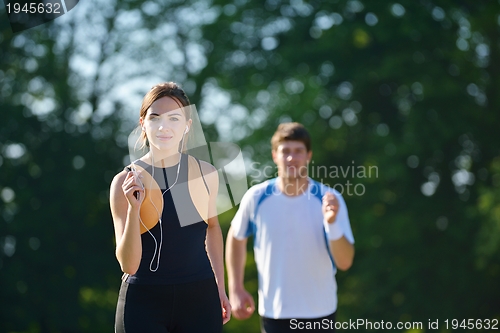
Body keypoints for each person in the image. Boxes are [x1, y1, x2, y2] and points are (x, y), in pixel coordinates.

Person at [109, 82, 231, 333]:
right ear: (143, 123)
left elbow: (213, 229)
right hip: (143, 301)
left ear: (187, 126)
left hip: (200, 298)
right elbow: (128, 265)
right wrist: (134, 208)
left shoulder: (204, 174)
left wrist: (220, 288)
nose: (164, 126)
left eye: (174, 118)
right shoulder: (125, 181)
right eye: (155, 117)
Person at [226, 122, 355, 332]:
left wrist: (331, 224)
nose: (291, 158)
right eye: (285, 151)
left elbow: (345, 261)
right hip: (274, 313)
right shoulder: (257, 197)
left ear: (308, 156)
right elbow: (236, 237)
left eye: (298, 151)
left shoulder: (329, 199)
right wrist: (236, 287)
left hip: (320, 312)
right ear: (275, 155)